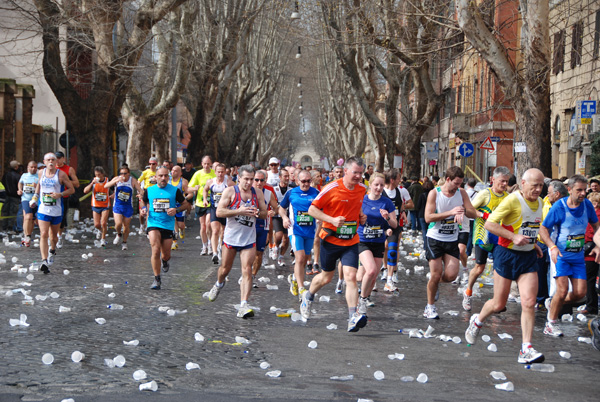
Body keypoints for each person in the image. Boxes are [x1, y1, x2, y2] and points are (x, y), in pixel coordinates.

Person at [464, 168, 546, 364]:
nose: (537, 190)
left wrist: (533, 244)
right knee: (499, 304)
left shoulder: (541, 202)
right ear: (523, 184)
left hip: (527, 258)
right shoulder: (512, 200)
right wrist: (514, 237)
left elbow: (528, 226)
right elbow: (491, 224)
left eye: (541, 186)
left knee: (528, 302)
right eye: (534, 185)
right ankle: (477, 321)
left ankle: (526, 348)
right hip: (506, 254)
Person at [302, 156, 368, 332]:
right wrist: (331, 219)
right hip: (330, 239)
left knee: (351, 277)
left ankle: (352, 317)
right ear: (345, 171)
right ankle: (308, 296)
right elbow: (312, 210)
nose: (358, 177)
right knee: (326, 277)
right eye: (355, 173)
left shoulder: (362, 189)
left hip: (351, 240)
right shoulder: (331, 187)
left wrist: (362, 216)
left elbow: (357, 206)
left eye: (361, 173)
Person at [539, 175, 599, 337]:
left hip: (578, 257)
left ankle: (553, 302)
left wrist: (598, 245)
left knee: (580, 294)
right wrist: (551, 247)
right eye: (579, 190)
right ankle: (551, 324)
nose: (583, 194)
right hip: (561, 256)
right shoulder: (559, 207)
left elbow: (596, 226)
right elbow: (543, 229)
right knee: (563, 289)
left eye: (584, 190)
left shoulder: (587, 205)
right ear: (570, 190)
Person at [207, 165, 267, 319]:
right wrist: (239, 211)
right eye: (246, 179)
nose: (249, 182)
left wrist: (257, 213)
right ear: (238, 178)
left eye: (251, 179)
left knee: (247, 270)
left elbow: (264, 213)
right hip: (231, 238)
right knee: (224, 269)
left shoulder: (257, 193)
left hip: (249, 239)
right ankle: (219, 284)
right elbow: (219, 211)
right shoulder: (230, 191)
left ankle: (244, 305)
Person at [424, 166, 477, 319]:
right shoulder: (435, 193)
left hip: (452, 239)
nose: (458, 187)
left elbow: (472, 211)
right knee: (435, 274)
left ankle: (433, 285)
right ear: (447, 179)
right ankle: (430, 307)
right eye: (455, 183)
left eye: (460, 183)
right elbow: (428, 217)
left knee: (451, 276)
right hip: (434, 238)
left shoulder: (461, 193)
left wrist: (463, 209)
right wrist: (451, 212)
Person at [462, 166, 510, 311]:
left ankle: (497, 300)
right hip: (482, 236)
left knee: (499, 269)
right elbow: (469, 209)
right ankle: (468, 292)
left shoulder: (508, 197)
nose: (504, 184)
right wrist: (483, 215)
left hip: (500, 238)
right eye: (502, 181)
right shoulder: (485, 194)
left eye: (506, 182)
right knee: (479, 268)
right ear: (493, 179)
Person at [139, 167, 189, 290]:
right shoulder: (149, 190)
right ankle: (157, 279)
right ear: (155, 177)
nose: (163, 178)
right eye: (160, 176)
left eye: (166, 176)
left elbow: (186, 204)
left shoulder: (174, 190)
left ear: (169, 177)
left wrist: (176, 210)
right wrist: (143, 209)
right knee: (155, 249)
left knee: (166, 254)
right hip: (153, 223)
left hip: (168, 225)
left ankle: (165, 261)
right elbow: (143, 201)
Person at [356, 172, 397, 313]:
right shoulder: (362, 200)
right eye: (376, 185)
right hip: (362, 240)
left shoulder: (387, 202)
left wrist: (387, 219)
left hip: (378, 241)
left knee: (374, 275)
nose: (379, 188)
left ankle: (365, 297)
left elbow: (395, 224)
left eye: (381, 185)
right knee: (371, 269)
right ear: (370, 185)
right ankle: (361, 299)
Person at [31, 153, 75, 274]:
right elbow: (39, 185)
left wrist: (60, 195)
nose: (50, 162)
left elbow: (72, 189)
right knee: (44, 233)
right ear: (44, 162)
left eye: (53, 160)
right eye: (48, 160)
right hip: (43, 209)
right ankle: (44, 261)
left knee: (53, 237)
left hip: (56, 210)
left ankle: (52, 250)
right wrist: (35, 197)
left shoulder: (61, 174)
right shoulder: (41, 173)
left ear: (56, 162)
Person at [279, 170, 320, 298]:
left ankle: (295, 279)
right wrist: (284, 218)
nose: (306, 184)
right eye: (303, 181)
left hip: (310, 230)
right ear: (297, 181)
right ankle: (302, 288)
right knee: (300, 258)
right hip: (295, 229)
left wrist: (320, 217)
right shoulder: (291, 193)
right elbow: (281, 208)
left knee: (304, 259)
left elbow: (323, 207)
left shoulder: (316, 193)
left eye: (308, 181)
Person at [535, 180, 568, 308]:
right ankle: (541, 299)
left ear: (557, 194)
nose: (547, 195)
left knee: (555, 273)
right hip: (543, 242)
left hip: (558, 245)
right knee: (541, 271)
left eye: (549, 193)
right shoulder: (545, 202)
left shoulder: (565, 206)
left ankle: (554, 300)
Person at [381, 168, 412, 292]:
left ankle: (391, 276)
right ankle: (384, 268)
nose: (401, 180)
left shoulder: (400, 191)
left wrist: (403, 212)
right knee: (385, 247)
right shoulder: (381, 191)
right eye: (399, 178)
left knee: (393, 249)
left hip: (395, 225)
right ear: (392, 180)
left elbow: (401, 205)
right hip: (381, 226)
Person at [202, 163, 235, 263]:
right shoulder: (211, 182)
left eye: (222, 172)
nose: (220, 174)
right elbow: (205, 189)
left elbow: (236, 192)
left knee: (223, 232)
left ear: (225, 172)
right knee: (215, 231)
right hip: (214, 209)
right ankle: (215, 253)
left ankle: (220, 248)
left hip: (225, 210)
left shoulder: (229, 182)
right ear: (215, 172)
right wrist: (204, 199)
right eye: (218, 172)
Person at [105, 166, 142, 250]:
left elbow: (140, 189)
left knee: (126, 225)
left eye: (125, 173)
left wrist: (141, 195)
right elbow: (106, 186)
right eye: (121, 173)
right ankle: (118, 234)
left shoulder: (132, 180)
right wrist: (115, 181)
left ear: (128, 173)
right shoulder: (116, 179)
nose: (123, 175)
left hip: (128, 206)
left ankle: (124, 242)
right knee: (118, 224)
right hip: (117, 205)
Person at [251, 170, 278, 282]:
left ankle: (252, 275)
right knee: (248, 251)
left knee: (258, 253)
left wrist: (274, 212)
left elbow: (276, 208)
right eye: (256, 180)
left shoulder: (268, 193)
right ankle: (247, 273)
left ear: (265, 181)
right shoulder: (247, 192)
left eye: (262, 180)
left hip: (262, 225)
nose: (259, 182)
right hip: (248, 225)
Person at [188, 155, 216, 255]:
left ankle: (210, 244)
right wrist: (194, 188)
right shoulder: (197, 174)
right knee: (203, 226)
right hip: (200, 203)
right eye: (204, 164)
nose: (206, 166)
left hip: (211, 203)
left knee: (209, 224)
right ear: (202, 164)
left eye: (208, 164)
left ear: (211, 164)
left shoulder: (214, 174)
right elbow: (188, 188)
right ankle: (204, 246)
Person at [55, 151, 80, 247]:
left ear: (63, 159)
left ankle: (59, 236)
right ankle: (52, 237)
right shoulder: (50, 169)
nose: (57, 160)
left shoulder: (69, 169)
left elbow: (77, 183)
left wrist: (65, 181)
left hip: (63, 197)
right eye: (55, 158)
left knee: (61, 218)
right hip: (51, 197)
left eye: (59, 158)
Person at [83, 166, 111, 246]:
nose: (97, 177)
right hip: (96, 205)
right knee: (97, 224)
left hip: (105, 205)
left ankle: (103, 239)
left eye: (99, 175)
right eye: (96, 175)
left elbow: (113, 189)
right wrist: (92, 183)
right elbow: (85, 191)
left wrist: (112, 195)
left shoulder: (107, 181)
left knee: (103, 223)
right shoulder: (93, 180)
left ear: (103, 174)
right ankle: (100, 230)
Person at [582, 192, 600, 314]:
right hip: (592, 248)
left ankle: (591, 306)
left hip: (591, 250)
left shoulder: (594, 215)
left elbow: (589, 233)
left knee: (590, 279)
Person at [270, 169, 291, 265]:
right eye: (285, 176)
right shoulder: (274, 189)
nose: (287, 178)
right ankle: (276, 247)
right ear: (280, 177)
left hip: (288, 216)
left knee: (286, 238)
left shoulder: (291, 190)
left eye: (288, 176)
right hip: (277, 215)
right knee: (279, 234)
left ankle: (281, 256)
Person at [18, 161, 39, 246]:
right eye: (32, 167)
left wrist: (37, 187)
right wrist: (20, 189)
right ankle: (26, 236)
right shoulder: (24, 175)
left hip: (36, 199)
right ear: (28, 167)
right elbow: (20, 182)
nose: (33, 169)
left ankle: (28, 235)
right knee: (28, 216)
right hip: (26, 199)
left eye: (35, 167)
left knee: (33, 219)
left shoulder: (39, 176)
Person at [169, 165, 189, 250]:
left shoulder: (183, 182)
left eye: (176, 171)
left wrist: (186, 198)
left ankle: (182, 229)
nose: (173, 172)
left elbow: (188, 192)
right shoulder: (168, 181)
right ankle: (175, 241)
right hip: (171, 205)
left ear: (180, 173)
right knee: (173, 221)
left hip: (180, 205)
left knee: (181, 225)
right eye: (172, 170)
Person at [137, 157, 159, 234]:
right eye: (150, 164)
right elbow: (138, 182)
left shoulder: (159, 172)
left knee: (149, 212)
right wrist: (140, 191)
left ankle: (148, 229)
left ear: (156, 164)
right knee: (142, 213)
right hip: (146, 191)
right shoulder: (145, 172)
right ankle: (142, 225)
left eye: (153, 164)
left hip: (155, 193)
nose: (151, 165)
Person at [1, 160, 21, 232]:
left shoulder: (6, 175)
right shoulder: (18, 176)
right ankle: (10, 228)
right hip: (14, 197)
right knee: (13, 212)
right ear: (16, 167)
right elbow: (19, 186)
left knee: (5, 212)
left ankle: (4, 228)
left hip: (6, 196)